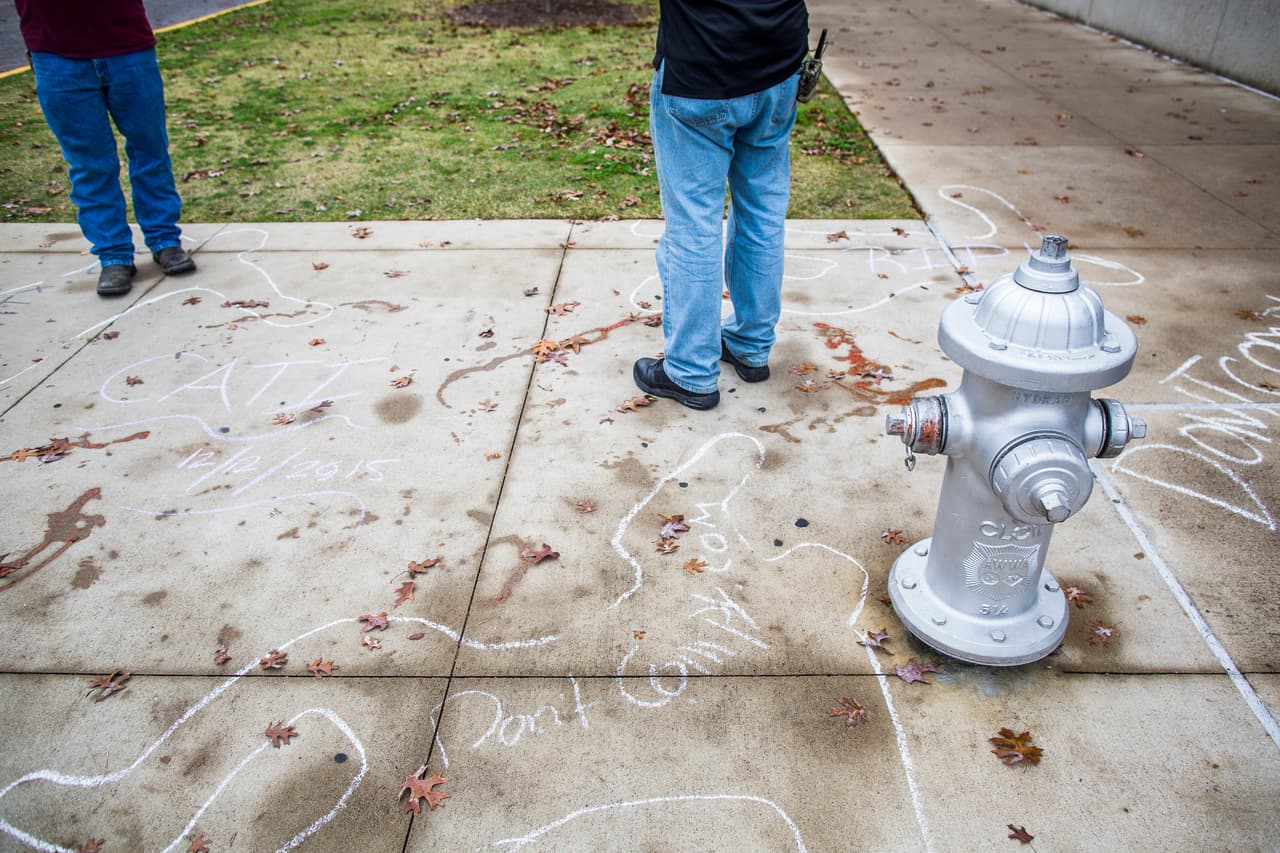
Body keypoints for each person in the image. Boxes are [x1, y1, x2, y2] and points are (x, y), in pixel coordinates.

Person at [633, 0, 810, 410]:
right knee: (762, 214)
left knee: (694, 226)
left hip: (701, 69)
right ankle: (750, 345)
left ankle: (691, 371)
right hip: (778, 63)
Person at [14, 0, 196, 297]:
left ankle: (165, 241)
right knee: (91, 164)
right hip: (56, 55)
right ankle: (114, 256)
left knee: (150, 150)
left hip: (128, 47)